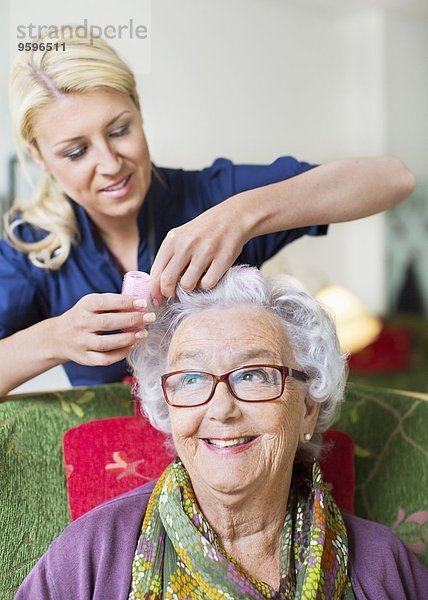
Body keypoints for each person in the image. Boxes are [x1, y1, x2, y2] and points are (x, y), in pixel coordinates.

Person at [0, 28, 416, 396]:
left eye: (120, 130)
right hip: (115, 465)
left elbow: (392, 179)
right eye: (76, 152)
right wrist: (53, 338)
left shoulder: (212, 196)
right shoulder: (30, 247)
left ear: (138, 108)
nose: (110, 163)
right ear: (39, 156)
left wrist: (241, 215)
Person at [16, 266, 428, 599]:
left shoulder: (381, 566)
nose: (222, 409)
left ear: (306, 408)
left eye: (253, 374)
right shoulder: (94, 555)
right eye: (192, 378)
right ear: (167, 409)